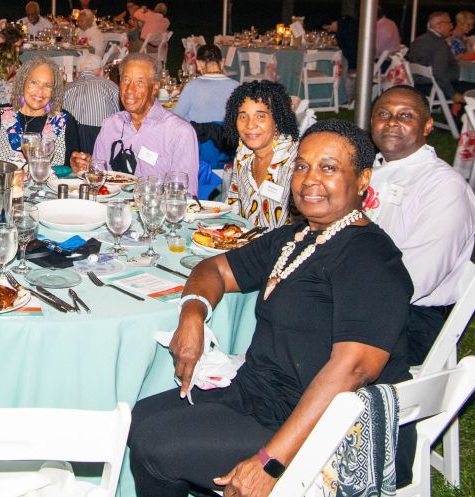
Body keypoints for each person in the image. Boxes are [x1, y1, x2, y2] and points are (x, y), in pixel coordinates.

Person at [128, 119, 415, 497]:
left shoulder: (370, 258)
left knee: (156, 445)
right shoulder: (296, 237)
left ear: (363, 180)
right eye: (301, 166)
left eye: (328, 168)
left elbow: (353, 370)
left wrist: (269, 461)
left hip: (328, 428)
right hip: (261, 394)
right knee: (139, 419)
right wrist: (193, 313)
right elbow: (213, 268)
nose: (309, 179)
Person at [367, 85, 475, 365]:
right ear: (372, 123)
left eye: (405, 116)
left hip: (409, 321)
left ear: (427, 125)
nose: (392, 122)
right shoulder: (369, 170)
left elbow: (412, 282)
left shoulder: (443, 188)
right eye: (384, 113)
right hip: (365, 298)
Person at [71, 53, 198, 192]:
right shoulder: (111, 125)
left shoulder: (179, 132)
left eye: (139, 82)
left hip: (155, 211)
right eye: (125, 80)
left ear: (155, 87)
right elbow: (100, 178)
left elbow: (184, 195)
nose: (129, 89)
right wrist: (86, 166)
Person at [222, 81, 299, 229]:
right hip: (245, 244)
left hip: (284, 248)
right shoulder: (243, 153)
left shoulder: (295, 161)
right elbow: (233, 202)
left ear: (277, 119)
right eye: (243, 117)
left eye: (260, 116)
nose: (250, 125)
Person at [0, 57, 83, 168]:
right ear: (22, 83)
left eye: (48, 85)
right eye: (34, 83)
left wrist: (76, 164)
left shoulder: (65, 121)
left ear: (54, 91)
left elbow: (73, 166)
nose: (40, 91)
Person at [407, 12, 470, 105]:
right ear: (439, 26)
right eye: (449, 23)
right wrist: (453, 94)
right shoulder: (439, 44)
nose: (451, 26)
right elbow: (439, 74)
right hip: (436, 88)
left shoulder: (418, 40)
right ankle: (463, 118)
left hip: (419, 87)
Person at [62, 52, 118, 149]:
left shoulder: (66, 89)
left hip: (73, 141)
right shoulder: (110, 86)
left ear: (77, 74)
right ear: (101, 72)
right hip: (102, 140)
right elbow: (122, 116)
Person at [172, 44, 239, 123]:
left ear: (198, 64)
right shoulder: (236, 86)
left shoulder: (192, 86)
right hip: (227, 134)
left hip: (199, 134)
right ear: (222, 62)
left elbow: (175, 117)